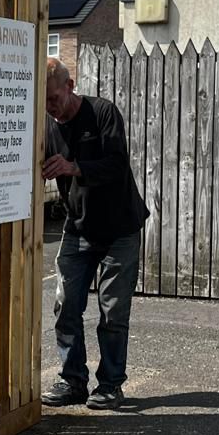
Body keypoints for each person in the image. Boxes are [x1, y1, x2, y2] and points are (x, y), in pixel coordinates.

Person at [40, 58, 148, 410]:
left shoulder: (103, 113)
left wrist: (75, 167)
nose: (50, 108)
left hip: (119, 227)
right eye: (44, 102)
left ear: (70, 86)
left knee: (112, 311)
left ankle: (111, 385)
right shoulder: (48, 127)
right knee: (66, 304)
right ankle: (73, 381)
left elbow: (117, 165)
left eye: (54, 98)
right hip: (78, 226)